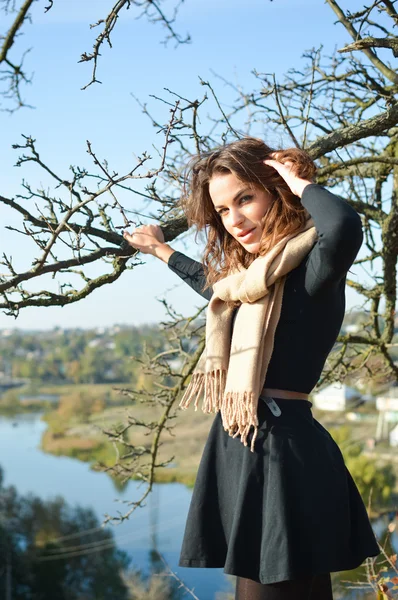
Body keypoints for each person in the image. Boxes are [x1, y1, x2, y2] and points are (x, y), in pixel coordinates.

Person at [123, 138, 380, 600]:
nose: (235, 220)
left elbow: (342, 224)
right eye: (222, 210)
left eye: (245, 199)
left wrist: (298, 181)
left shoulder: (313, 267)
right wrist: (161, 252)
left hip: (283, 455)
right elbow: (219, 290)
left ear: (274, 190)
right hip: (246, 447)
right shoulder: (258, 281)